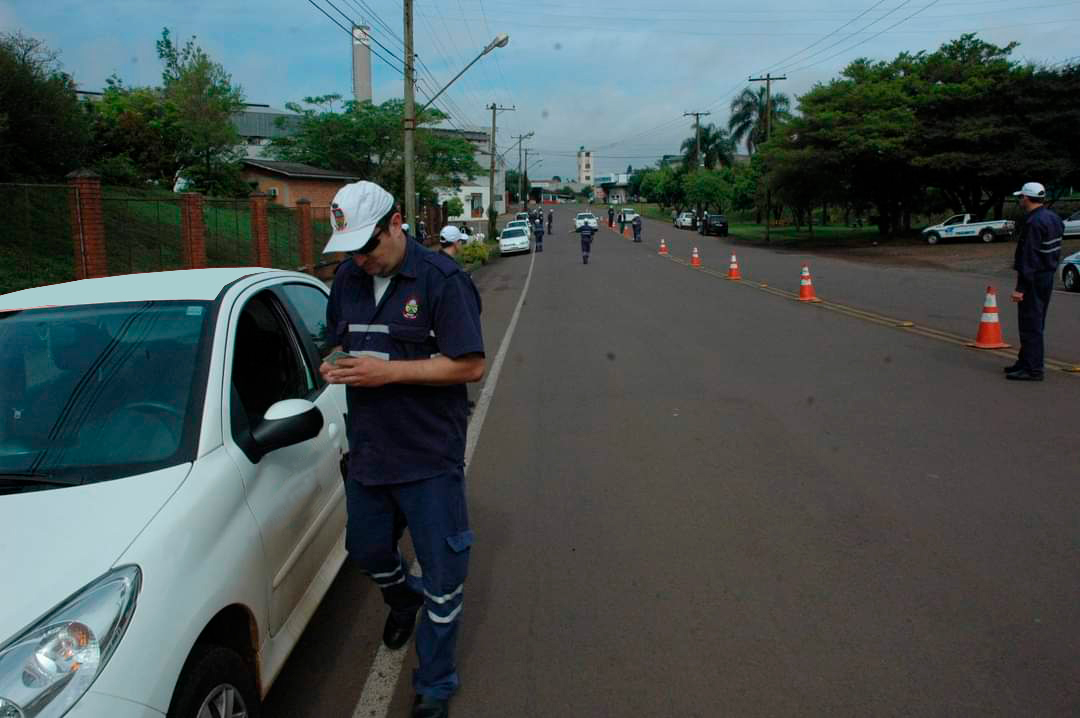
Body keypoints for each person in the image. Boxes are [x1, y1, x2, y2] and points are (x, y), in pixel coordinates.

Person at [321, 181, 485, 718]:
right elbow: (339, 342)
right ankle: (400, 598)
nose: (361, 259)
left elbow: (469, 365)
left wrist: (388, 372)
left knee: (444, 582)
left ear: (397, 223)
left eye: (369, 246)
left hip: (427, 456)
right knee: (366, 551)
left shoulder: (442, 280)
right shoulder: (346, 279)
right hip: (370, 453)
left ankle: (434, 686)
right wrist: (336, 362)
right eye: (351, 250)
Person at [1006, 181, 1064, 381]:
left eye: (1020, 197)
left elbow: (1029, 258)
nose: (1019, 200)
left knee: (1030, 323)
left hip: (1034, 278)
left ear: (1027, 198)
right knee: (1037, 321)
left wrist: (1020, 288)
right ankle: (1025, 361)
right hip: (1046, 275)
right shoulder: (1053, 218)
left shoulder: (1033, 223)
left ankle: (1033, 369)